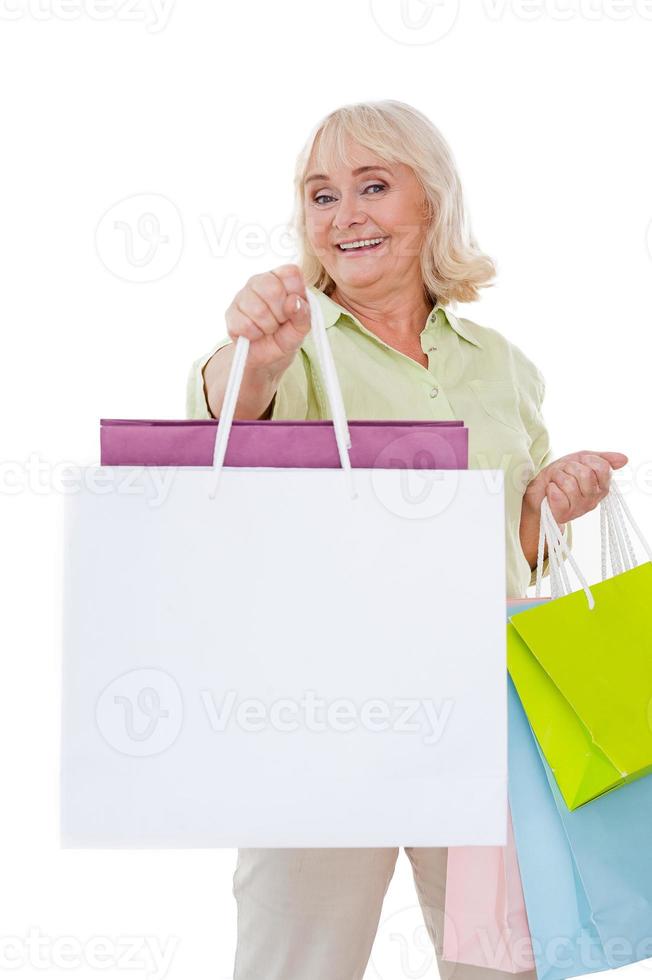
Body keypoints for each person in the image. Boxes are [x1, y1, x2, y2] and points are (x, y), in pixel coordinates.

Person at [185, 100, 627, 980]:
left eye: (373, 186)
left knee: (504, 965)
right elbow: (222, 432)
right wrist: (255, 359)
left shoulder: (503, 363)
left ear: (434, 204)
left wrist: (549, 504)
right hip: (323, 717)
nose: (344, 214)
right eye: (321, 195)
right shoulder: (294, 346)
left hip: (484, 716)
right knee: (294, 964)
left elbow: (518, 548)